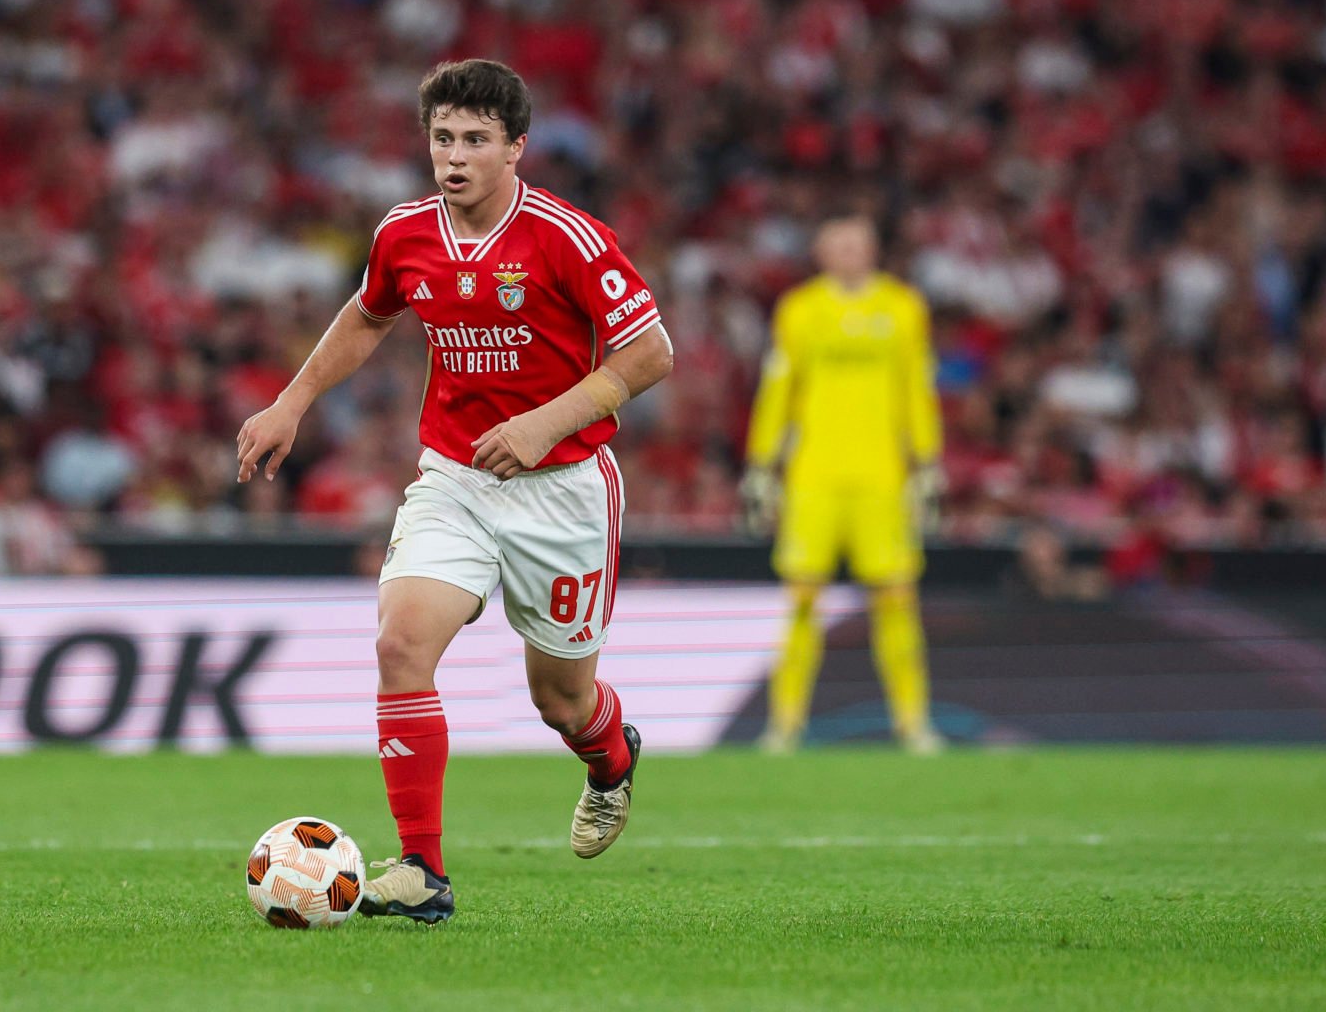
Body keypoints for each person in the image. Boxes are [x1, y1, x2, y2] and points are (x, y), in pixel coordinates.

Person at [235, 59, 674, 924]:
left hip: (564, 492)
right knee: (401, 643)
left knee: (562, 699)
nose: (455, 156)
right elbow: (368, 314)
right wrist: (293, 400)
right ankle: (424, 871)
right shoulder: (405, 233)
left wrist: (548, 422)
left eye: (476, 139)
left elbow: (651, 353)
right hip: (456, 477)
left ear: (517, 147)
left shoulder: (566, 237)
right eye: (443, 138)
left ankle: (610, 758)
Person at [741, 211, 943, 755]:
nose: (852, 253)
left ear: (873, 249)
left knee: (897, 598)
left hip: (882, 477)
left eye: (860, 244)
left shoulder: (903, 307)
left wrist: (928, 463)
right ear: (823, 254)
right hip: (815, 476)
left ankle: (913, 723)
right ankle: (784, 725)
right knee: (803, 599)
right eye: (841, 245)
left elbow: (917, 389)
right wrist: (762, 464)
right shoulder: (801, 310)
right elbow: (778, 389)